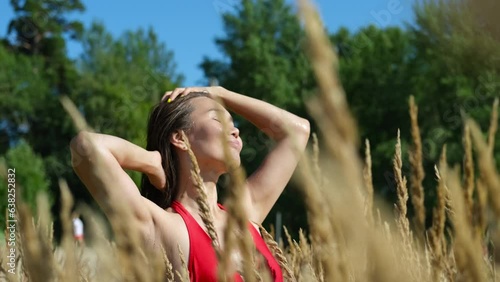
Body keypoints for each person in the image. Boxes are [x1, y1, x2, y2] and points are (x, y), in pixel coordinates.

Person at [70, 86, 310, 281]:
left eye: (232, 122)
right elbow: (86, 147)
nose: (235, 130)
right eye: (218, 120)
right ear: (179, 138)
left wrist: (220, 93)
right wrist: (154, 161)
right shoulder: (163, 227)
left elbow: (297, 131)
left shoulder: (245, 213)